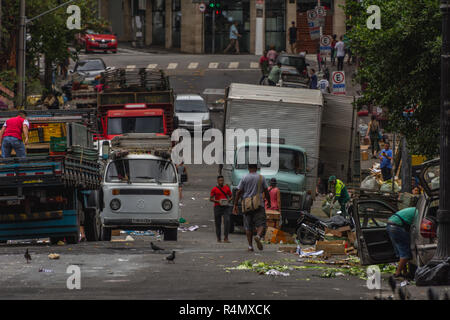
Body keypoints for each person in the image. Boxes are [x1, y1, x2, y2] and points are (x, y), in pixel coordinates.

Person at [233, 163, 271, 252]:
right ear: (257, 168)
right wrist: (268, 201)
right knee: (261, 224)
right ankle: (258, 236)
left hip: (247, 205)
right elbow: (266, 191)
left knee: (248, 226)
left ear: (248, 168)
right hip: (259, 204)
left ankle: (250, 247)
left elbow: (238, 192)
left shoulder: (244, 177)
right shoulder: (261, 178)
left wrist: (235, 205)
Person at [386, 207, 418, 278]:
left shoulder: (413, 209)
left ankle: (405, 272)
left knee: (401, 252)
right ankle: (397, 273)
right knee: (405, 253)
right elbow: (416, 227)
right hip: (397, 227)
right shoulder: (419, 213)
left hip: (390, 225)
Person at [210, 176, 232, 243]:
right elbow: (211, 198)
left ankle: (226, 238)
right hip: (217, 207)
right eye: (220, 181)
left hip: (225, 207)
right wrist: (217, 201)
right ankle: (218, 238)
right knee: (218, 223)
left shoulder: (226, 188)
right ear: (217, 181)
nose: (221, 182)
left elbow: (231, 196)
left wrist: (228, 200)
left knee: (227, 221)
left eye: (222, 180)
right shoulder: (214, 189)